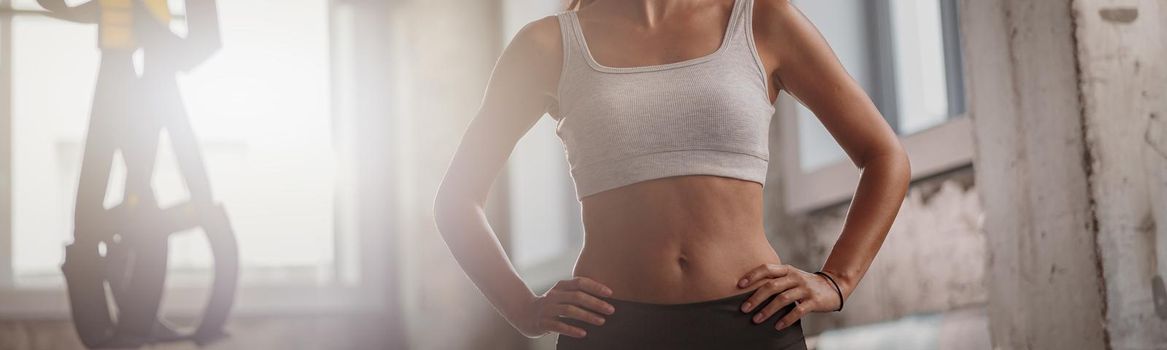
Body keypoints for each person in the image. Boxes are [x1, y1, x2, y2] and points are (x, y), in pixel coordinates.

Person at [433, 0, 910, 348]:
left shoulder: (762, 20)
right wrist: (523, 310)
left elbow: (885, 156)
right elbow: (457, 200)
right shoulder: (547, 43)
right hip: (611, 331)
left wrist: (837, 281)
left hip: (751, 325)